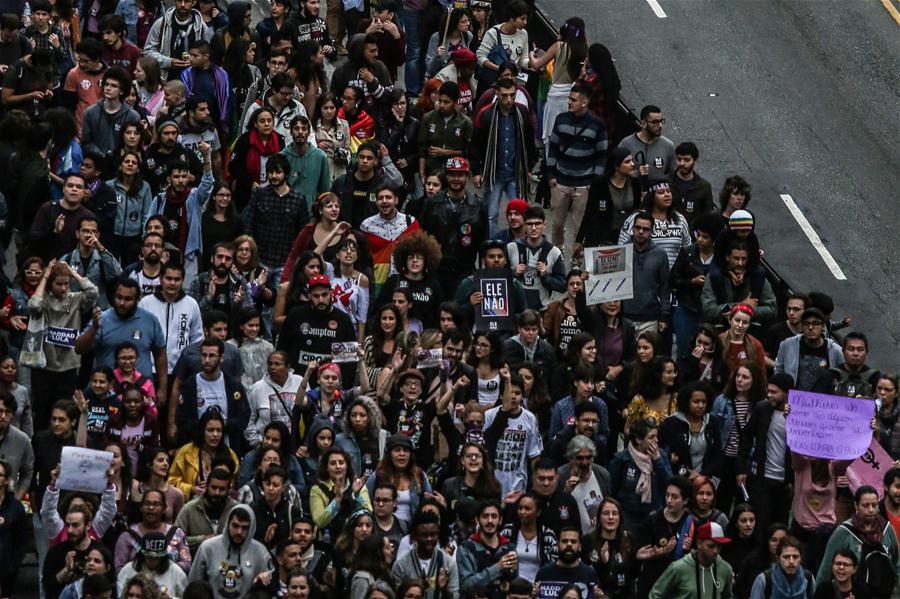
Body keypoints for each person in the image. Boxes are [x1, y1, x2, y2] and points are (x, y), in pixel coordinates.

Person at [546, 80, 608, 257]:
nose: (569, 102)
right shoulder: (561, 119)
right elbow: (553, 148)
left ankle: (577, 257)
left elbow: (602, 155)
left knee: (580, 225)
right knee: (557, 223)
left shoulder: (598, 124)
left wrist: (593, 182)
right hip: (561, 181)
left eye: (573, 100)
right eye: (569, 99)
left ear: (585, 102)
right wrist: (551, 176)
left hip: (584, 184)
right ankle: (557, 254)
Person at [470, 77, 536, 238]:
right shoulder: (486, 114)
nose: (509, 99)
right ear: (497, 94)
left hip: (515, 172)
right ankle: (493, 249)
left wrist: (530, 167)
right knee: (490, 214)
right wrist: (477, 171)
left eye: (512, 95)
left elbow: (529, 142)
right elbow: (475, 145)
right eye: (505, 95)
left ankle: (520, 246)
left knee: (521, 214)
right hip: (494, 174)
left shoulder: (522, 112)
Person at [737, 372, 794, 539]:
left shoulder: (799, 415)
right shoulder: (762, 409)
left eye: (774, 392)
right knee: (761, 525)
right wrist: (741, 469)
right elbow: (746, 437)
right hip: (762, 479)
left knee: (781, 527)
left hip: (785, 484)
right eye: (768, 391)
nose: (769, 395)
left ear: (787, 393)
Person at [419, 157, 487, 295]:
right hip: (437, 271)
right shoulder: (431, 203)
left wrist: (483, 274)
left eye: (460, 175)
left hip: (465, 271)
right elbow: (422, 237)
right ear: (446, 176)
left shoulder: (479, 206)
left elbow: (484, 242)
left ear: (467, 177)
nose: (456, 179)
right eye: (452, 174)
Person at [815, 485, 900, 596]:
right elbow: (826, 569)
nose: (871, 510)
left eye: (874, 505)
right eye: (865, 505)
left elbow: (897, 565)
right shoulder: (844, 532)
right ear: (856, 505)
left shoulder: (887, 529)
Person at [175, 336, 250, 449]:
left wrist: (222, 425)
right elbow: (182, 420)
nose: (207, 360)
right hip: (197, 449)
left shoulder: (233, 385)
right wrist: (204, 427)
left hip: (228, 447)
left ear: (221, 358)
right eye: (204, 355)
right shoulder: (189, 386)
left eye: (212, 356)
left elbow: (243, 417)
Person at [188, 504, 273, 597]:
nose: (239, 532)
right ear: (228, 524)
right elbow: (193, 584)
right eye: (235, 526)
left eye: (244, 528)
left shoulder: (260, 552)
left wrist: (263, 580)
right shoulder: (207, 548)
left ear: (251, 529)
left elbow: (272, 582)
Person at [483, 369, 543, 496]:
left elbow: (534, 455)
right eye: (510, 392)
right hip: (492, 484)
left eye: (517, 393)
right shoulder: (489, 415)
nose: (513, 396)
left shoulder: (530, 418)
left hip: (518, 486)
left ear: (522, 396)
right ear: (501, 394)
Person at [609, 417, 673, 530]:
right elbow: (612, 491)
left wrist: (657, 460)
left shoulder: (661, 455)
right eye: (651, 437)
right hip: (628, 518)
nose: (656, 441)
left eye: (656, 436)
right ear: (638, 439)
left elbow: (670, 484)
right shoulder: (621, 459)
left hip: (655, 515)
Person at [649, 521, 734, 599]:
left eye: (719, 547)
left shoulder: (725, 569)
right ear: (699, 544)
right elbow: (655, 595)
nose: (716, 551)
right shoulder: (678, 568)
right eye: (711, 546)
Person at [620, 211, 671, 336]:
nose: (641, 232)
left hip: (650, 317)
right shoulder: (621, 252)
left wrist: (664, 315)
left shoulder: (660, 254)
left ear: (651, 232)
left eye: (645, 229)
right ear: (632, 228)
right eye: (638, 228)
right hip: (624, 317)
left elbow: (665, 287)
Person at [506, 205, 566, 311]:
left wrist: (546, 276)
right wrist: (513, 273)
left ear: (544, 225)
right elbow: (498, 277)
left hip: (543, 310)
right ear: (524, 225)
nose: (534, 228)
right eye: (529, 224)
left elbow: (562, 286)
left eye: (537, 224)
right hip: (516, 309)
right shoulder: (511, 248)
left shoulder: (554, 252)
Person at [659, 381, 722, 480]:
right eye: (696, 401)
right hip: (678, 479)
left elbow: (717, 455)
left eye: (704, 402)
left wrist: (702, 476)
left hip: (705, 480)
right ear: (686, 402)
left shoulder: (712, 422)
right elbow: (665, 454)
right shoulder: (671, 424)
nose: (700, 405)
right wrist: (687, 473)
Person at [391, 509, 460, 599]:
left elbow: (455, 596)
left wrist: (443, 589)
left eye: (433, 534)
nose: (429, 539)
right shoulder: (401, 565)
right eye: (424, 535)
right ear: (415, 536)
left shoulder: (449, 563)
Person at [456, 499, 517, 597]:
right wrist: (497, 567)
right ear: (477, 520)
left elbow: (514, 584)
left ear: (500, 520)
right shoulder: (466, 548)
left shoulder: (509, 548)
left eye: (494, 516)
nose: (490, 521)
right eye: (485, 516)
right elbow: (466, 586)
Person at [774, 307, 844, 391]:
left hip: (824, 401)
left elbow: (843, 375)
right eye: (806, 323)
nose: (810, 327)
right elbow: (778, 369)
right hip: (794, 398)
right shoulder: (787, 345)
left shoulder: (836, 351)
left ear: (823, 326)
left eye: (815, 323)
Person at [174, 466, 238, 556]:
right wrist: (203, 540)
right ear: (207, 486)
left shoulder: (236, 509)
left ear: (228, 490)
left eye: (222, 489)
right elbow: (175, 539)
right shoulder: (189, 509)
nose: (217, 493)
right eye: (214, 488)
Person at [417, 81, 472, 181]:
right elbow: (422, 148)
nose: (442, 105)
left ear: (455, 102)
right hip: (432, 172)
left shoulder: (465, 123)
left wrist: (447, 153)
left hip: (454, 173)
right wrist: (422, 174)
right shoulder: (428, 118)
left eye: (446, 102)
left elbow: (468, 151)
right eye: (440, 101)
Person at [143, 0, 211, 81]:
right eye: (179, 1)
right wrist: (168, 62)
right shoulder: (161, 24)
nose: (182, 5)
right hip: (166, 79)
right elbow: (148, 51)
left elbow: (207, 56)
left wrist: (194, 61)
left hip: (192, 80)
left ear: (193, 2)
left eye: (187, 1)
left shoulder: (201, 28)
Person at [558, 435, 611, 534]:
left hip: (599, 535)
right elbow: (556, 510)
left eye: (588, 457)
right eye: (580, 458)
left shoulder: (602, 474)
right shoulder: (561, 476)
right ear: (570, 458)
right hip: (574, 537)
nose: (585, 462)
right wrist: (565, 493)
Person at [282, 115, 331, 215]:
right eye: (296, 128)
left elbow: (325, 191)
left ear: (308, 132)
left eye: (304, 129)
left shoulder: (320, 156)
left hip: (311, 215)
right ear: (291, 132)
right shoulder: (282, 157)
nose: (300, 132)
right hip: (286, 214)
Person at [116, 531, 189, 598]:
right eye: (149, 557)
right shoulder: (129, 569)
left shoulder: (176, 572)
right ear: (143, 555)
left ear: (163, 557)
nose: (153, 561)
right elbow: (118, 595)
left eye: (157, 558)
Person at [617, 104, 676, 180]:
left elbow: (672, 175)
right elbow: (617, 171)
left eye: (661, 121)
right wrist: (636, 173)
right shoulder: (626, 144)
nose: (660, 125)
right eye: (655, 122)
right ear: (644, 124)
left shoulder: (668, 145)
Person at [534, 527, 597, 597]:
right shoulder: (544, 573)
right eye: (564, 541)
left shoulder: (589, 573)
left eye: (573, 541)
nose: (569, 544)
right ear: (557, 545)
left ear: (580, 546)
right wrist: (534, 595)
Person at [749, 536, 814, 599]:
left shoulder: (808, 578)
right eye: (786, 557)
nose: (791, 561)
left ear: (801, 558)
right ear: (778, 558)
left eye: (795, 557)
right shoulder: (764, 579)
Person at [667, 141, 714, 227]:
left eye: (686, 160)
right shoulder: (666, 182)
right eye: (679, 159)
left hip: (692, 234)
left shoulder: (704, 186)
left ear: (695, 161)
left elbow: (708, 215)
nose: (682, 163)